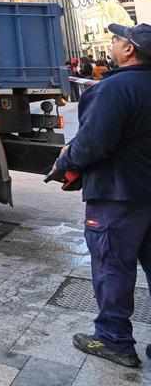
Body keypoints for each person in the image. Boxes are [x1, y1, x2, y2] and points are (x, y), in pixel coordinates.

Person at [50, 23, 151, 368]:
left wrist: (66, 160)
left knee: (112, 267)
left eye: (118, 39)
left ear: (129, 51)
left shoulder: (113, 89)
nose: (113, 42)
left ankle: (114, 340)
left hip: (117, 196)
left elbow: (94, 143)